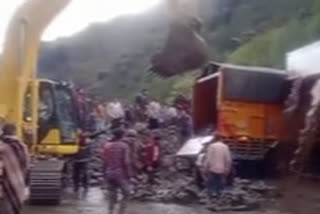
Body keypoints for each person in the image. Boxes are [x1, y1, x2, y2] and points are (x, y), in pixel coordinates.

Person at [0, 124, 29, 214]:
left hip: (3, 187)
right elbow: (26, 165)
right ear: (15, 132)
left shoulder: (2, 147)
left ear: (3, 132)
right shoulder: (23, 147)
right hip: (19, 183)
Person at [102, 129, 132, 214]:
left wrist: (104, 174)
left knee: (112, 194)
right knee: (126, 193)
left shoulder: (108, 146)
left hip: (109, 173)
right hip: (119, 174)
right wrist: (130, 175)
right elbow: (126, 162)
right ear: (122, 136)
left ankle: (110, 211)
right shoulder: (124, 146)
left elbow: (105, 160)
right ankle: (121, 212)